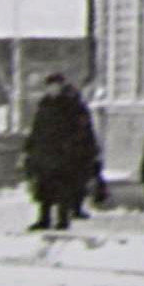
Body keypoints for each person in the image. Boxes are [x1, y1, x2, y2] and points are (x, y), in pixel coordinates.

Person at [21, 73, 100, 232]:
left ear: (61, 86)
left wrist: (80, 149)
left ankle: (63, 219)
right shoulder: (44, 106)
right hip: (45, 154)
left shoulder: (72, 106)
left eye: (56, 85)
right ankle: (44, 218)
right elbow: (37, 130)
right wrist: (29, 148)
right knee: (44, 188)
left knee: (63, 188)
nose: (53, 89)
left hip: (65, 155)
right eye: (50, 86)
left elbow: (84, 130)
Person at [60, 80, 104, 219]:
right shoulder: (77, 110)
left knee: (76, 182)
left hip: (77, 152)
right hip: (73, 151)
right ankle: (72, 208)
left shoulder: (78, 110)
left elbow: (87, 131)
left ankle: (72, 207)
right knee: (73, 182)